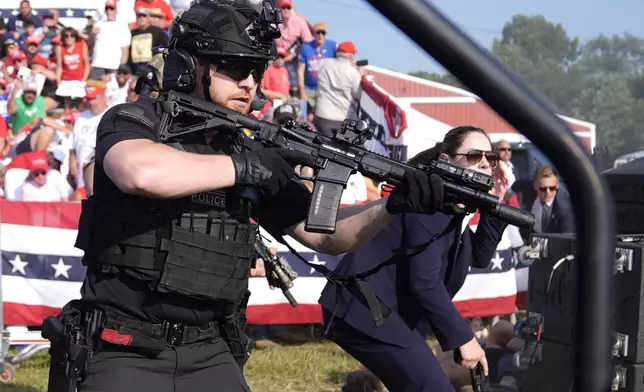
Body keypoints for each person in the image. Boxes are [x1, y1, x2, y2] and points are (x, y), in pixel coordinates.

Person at [46, 1, 444, 391]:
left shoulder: (250, 149)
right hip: (124, 347)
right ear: (190, 66)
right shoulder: (136, 119)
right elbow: (139, 171)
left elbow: (326, 236)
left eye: (256, 71)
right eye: (235, 68)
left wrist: (391, 206)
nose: (249, 84)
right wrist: (245, 170)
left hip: (211, 350)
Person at [319, 126, 511, 392]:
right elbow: (424, 281)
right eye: (473, 154)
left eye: (489, 158)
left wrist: (496, 201)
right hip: (363, 307)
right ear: (447, 160)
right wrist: (464, 338)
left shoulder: (455, 207)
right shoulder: (431, 202)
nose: (483, 162)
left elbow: (478, 257)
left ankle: (362, 385)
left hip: (385, 313)